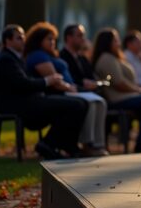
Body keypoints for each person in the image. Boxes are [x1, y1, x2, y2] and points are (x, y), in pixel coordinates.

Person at [0, 25, 87, 159]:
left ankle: (63, 145)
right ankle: (49, 144)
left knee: (77, 103)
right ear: (8, 41)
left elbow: (26, 82)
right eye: (19, 38)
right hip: (19, 105)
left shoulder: (15, 58)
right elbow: (23, 84)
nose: (23, 40)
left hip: (27, 101)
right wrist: (48, 80)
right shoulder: (6, 59)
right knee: (76, 105)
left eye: (24, 37)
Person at [25, 22, 109, 157]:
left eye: (54, 39)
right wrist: (71, 87)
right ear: (39, 40)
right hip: (59, 93)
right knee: (84, 104)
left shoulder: (50, 55)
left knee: (99, 101)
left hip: (68, 90)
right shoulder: (38, 56)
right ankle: (84, 144)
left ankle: (95, 143)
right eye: (49, 39)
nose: (53, 42)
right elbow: (55, 80)